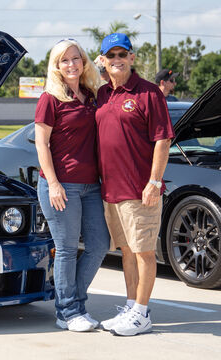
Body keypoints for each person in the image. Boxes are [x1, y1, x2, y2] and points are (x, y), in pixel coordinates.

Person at [96, 33, 174, 336]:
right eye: (110, 55)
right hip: (111, 191)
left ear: (132, 58)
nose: (117, 60)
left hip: (140, 191)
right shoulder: (103, 94)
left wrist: (154, 182)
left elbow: (163, 140)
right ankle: (131, 307)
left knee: (143, 253)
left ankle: (142, 314)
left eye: (122, 54)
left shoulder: (149, 93)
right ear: (102, 60)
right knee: (126, 251)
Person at [34, 39, 110, 332]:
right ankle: (66, 312)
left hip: (91, 185)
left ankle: (75, 303)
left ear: (84, 62)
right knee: (66, 249)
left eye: (76, 59)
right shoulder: (49, 98)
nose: (71, 64)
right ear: (56, 66)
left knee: (99, 245)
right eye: (64, 60)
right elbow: (41, 143)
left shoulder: (91, 95)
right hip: (61, 185)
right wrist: (53, 183)